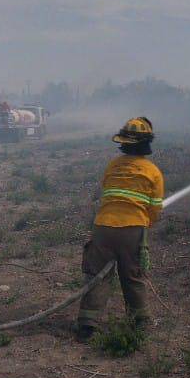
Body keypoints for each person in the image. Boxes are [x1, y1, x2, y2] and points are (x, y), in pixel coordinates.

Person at [76, 117, 164, 341]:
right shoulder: (153, 171)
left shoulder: (113, 165)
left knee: (97, 276)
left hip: (103, 227)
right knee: (133, 276)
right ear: (147, 143)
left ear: (123, 143)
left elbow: (108, 191)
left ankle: (87, 326)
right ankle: (140, 323)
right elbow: (155, 208)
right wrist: (147, 221)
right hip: (132, 230)